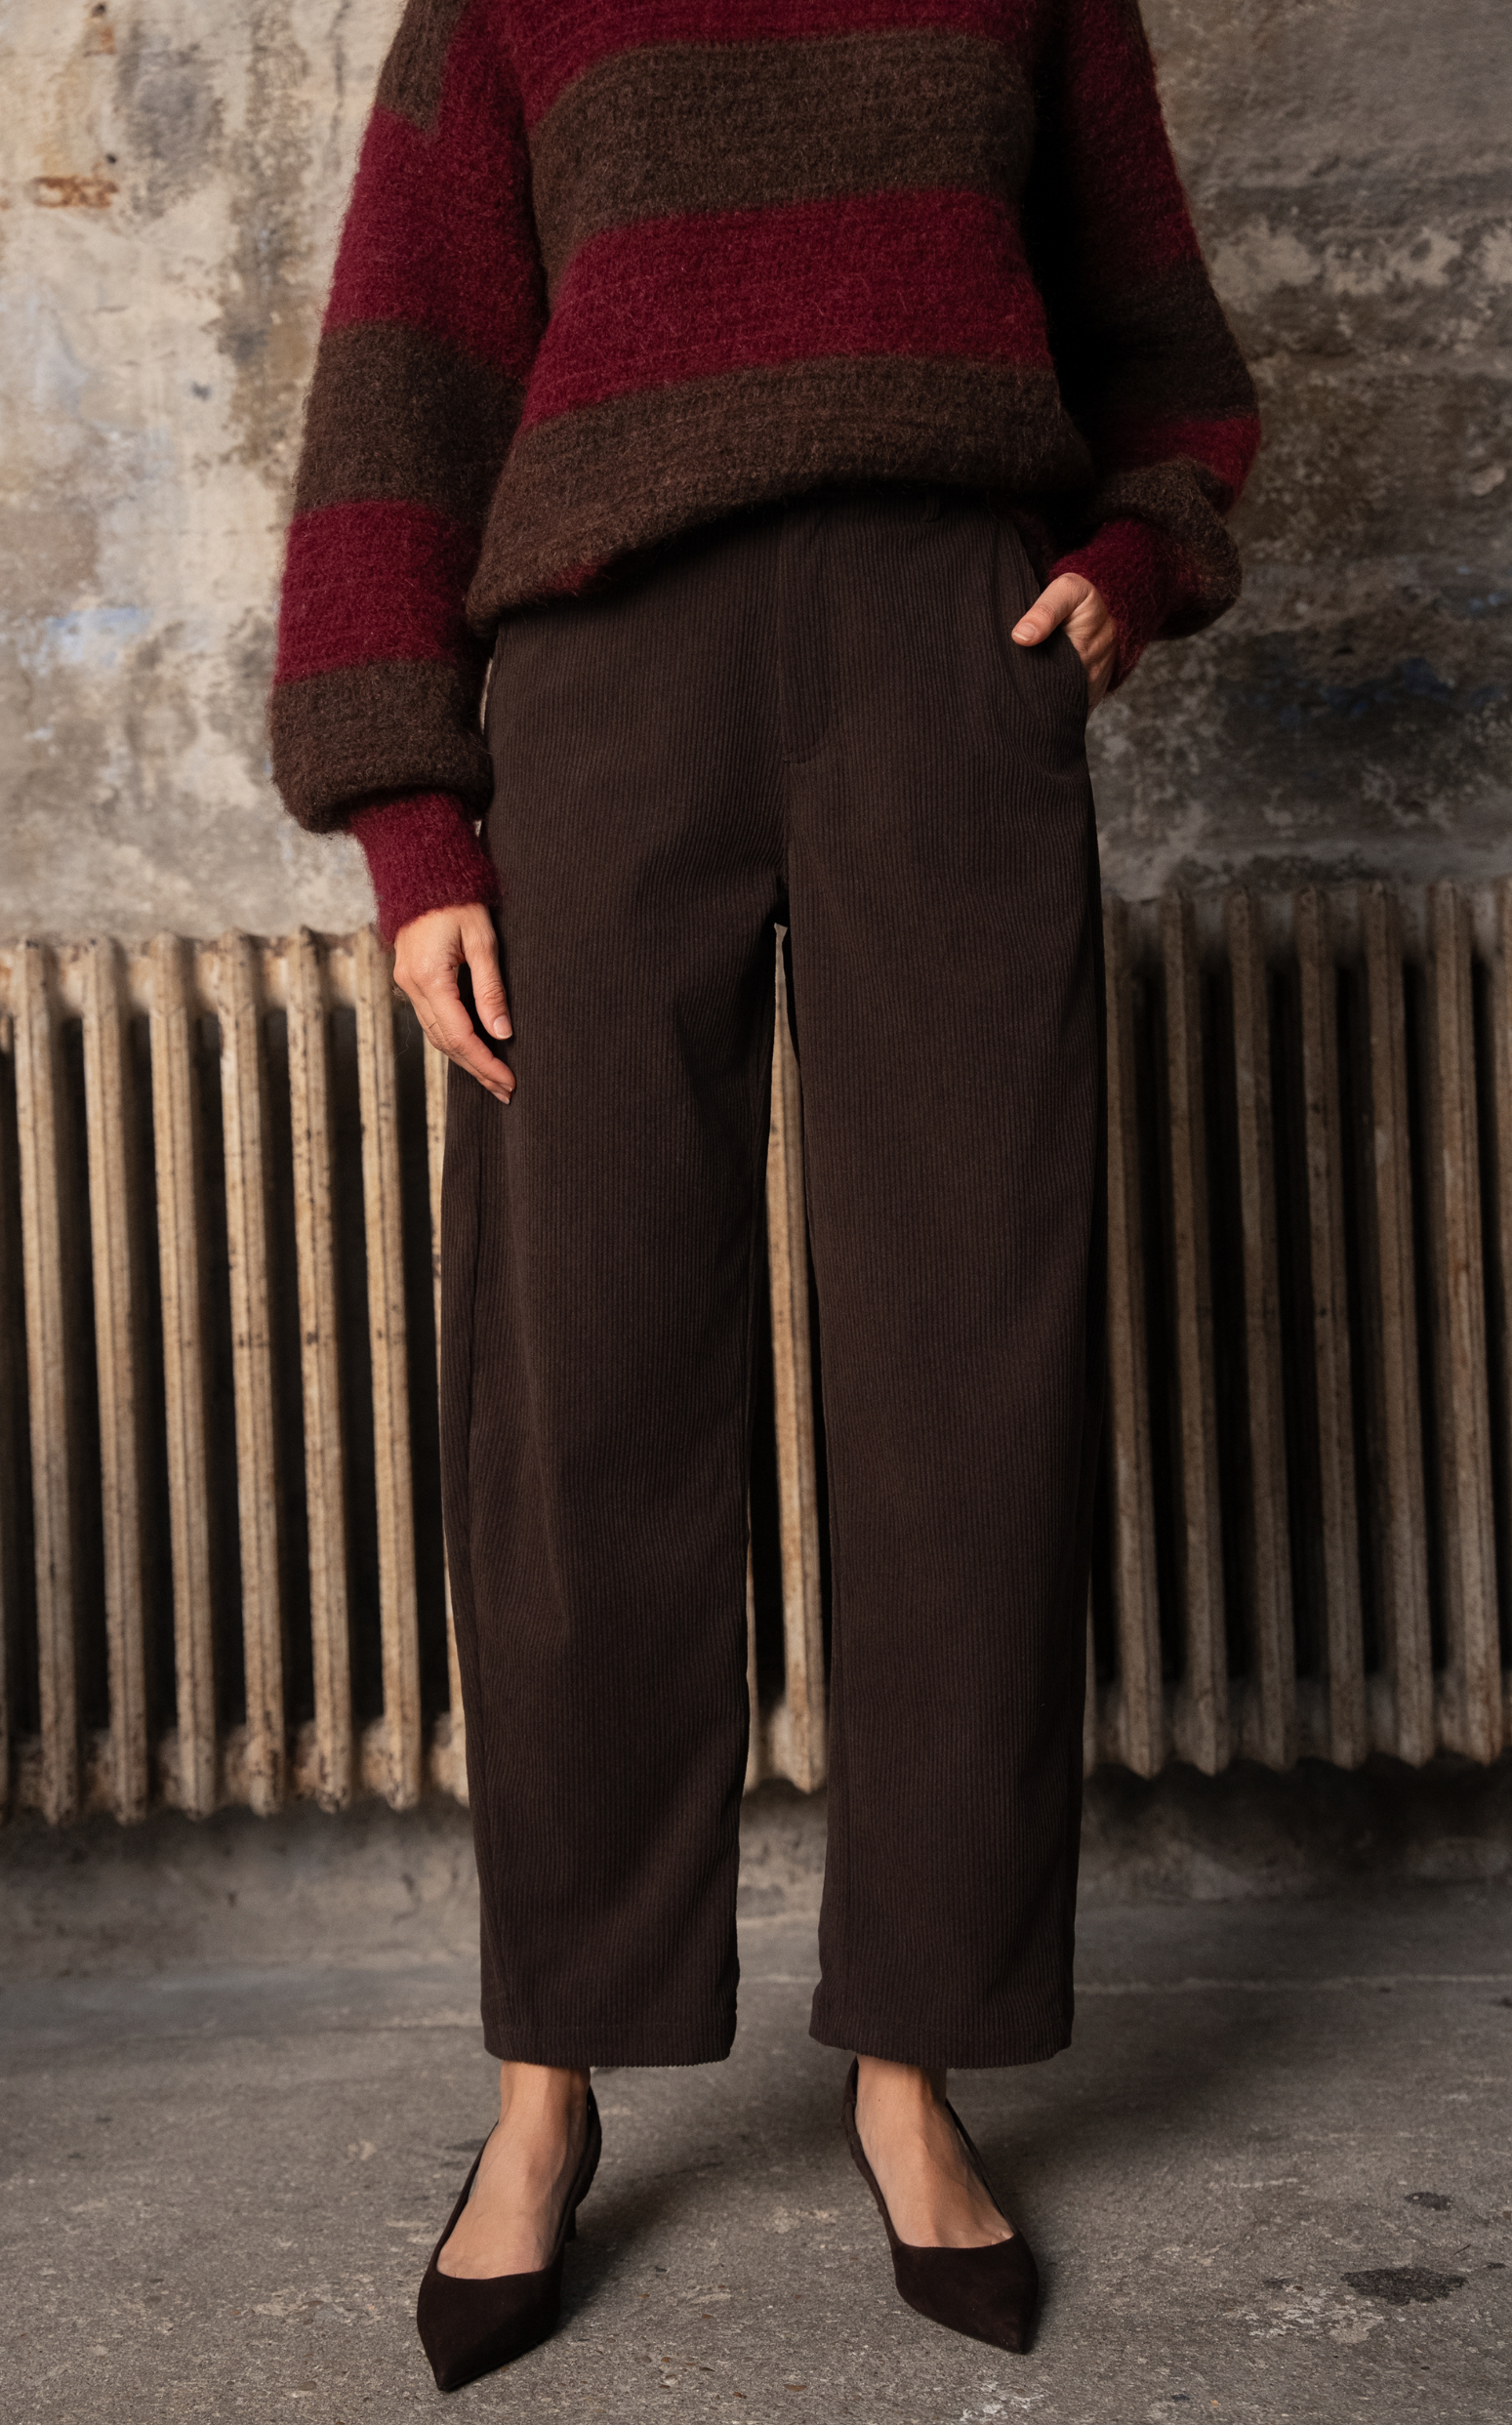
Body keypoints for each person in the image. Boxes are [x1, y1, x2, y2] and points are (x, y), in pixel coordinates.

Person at [269, 0, 1259, 2391]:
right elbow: (401, 392)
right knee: (580, 1379)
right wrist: (415, 825)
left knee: (973, 1364)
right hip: (610, 672)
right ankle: (548, 2086)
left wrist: (1137, 555)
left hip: (950, 655)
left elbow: (1160, 347)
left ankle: (912, 2069)